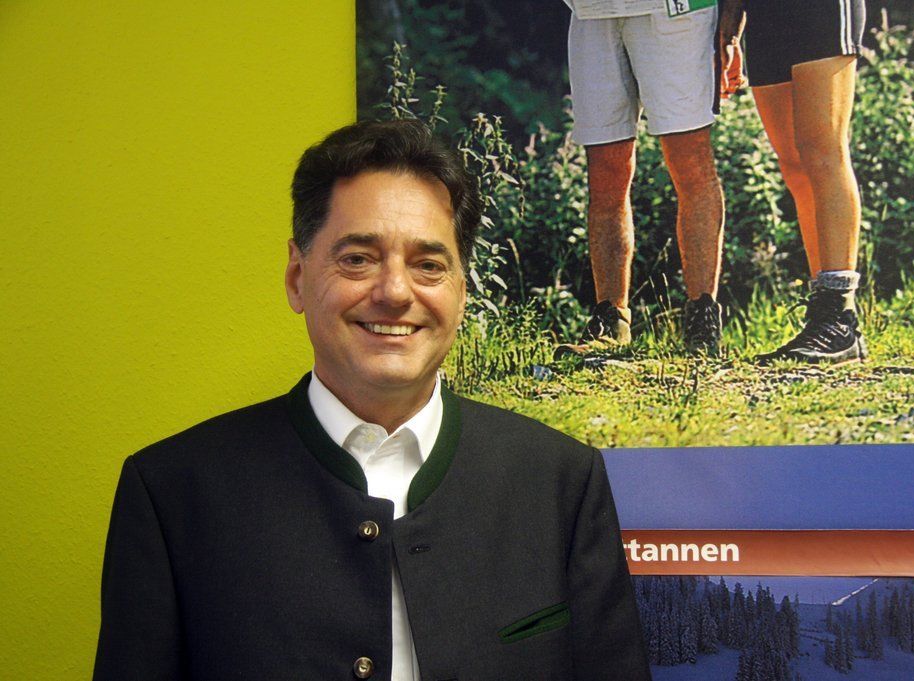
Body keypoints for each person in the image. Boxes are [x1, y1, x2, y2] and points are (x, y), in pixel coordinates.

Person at [93, 120, 650, 681]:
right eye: (358, 259)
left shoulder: (561, 481)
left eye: (428, 265)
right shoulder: (172, 494)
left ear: (461, 292)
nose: (395, 292)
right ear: (296, 277)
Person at [556, 0, 744, 357]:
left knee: (689, 161)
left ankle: (702, 320)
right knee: (606, 170)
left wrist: (732, 27)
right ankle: (610, 322)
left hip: (677, 12)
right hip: (591, 14)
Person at [720, 0, 868, 364]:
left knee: (822, 151)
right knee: (794, 165)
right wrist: (730, 25)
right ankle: (824, 317)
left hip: (820, 10)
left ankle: (839, 313)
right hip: (765, 13)